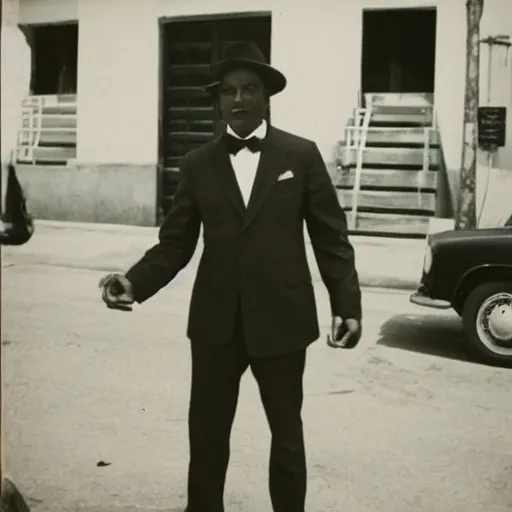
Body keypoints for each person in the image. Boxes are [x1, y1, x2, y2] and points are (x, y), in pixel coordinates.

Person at [99, 41, 362, 512]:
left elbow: (331, 238)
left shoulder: (299, 155)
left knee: (286, 438)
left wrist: (346, 305)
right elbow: (175, 243)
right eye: (227, 92)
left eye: (248, 89)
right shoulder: (199, 164)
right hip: (216, 325)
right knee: (206, 438)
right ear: (219, 101)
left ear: (266, 97)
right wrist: (135, 282)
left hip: (283, 322)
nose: (237, 99)